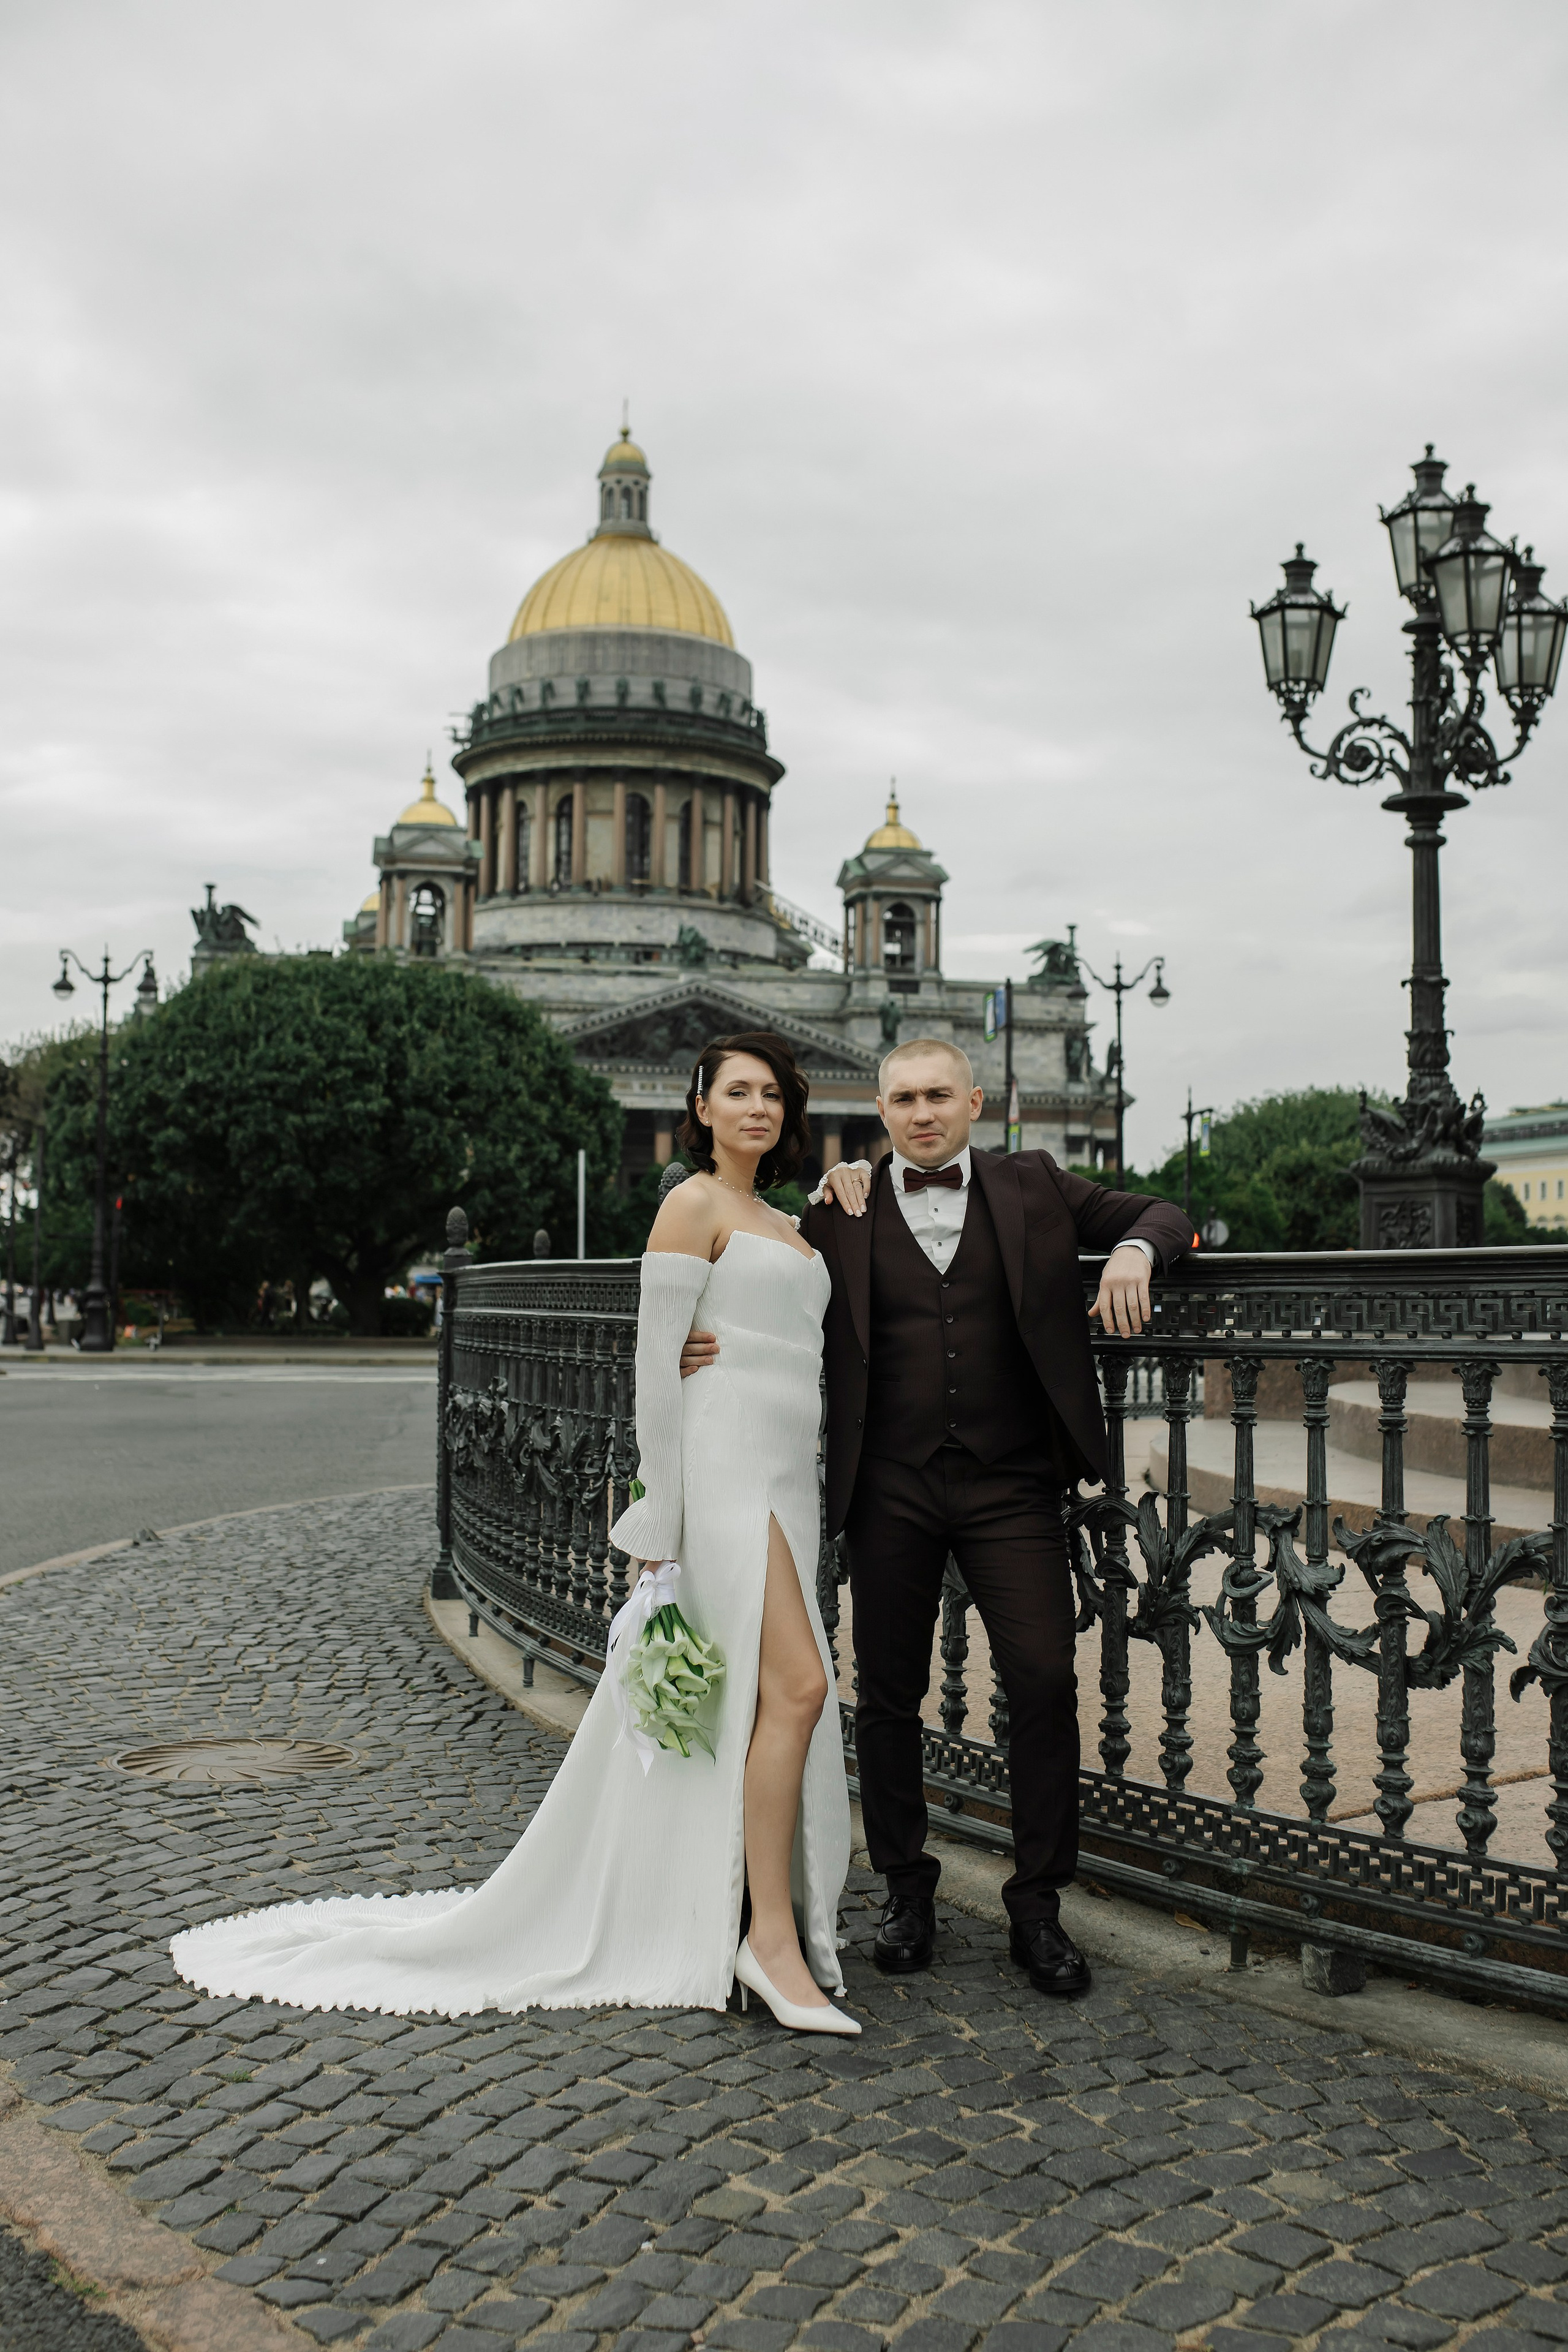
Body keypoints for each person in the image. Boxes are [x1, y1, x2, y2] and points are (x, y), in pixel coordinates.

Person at [169, 1030, 855, 2034]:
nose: (758, 1109)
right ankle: (769, 1942)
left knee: (761, 1700)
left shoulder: (789, 1220)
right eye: (736, 1093)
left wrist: (852, 1192)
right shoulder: (692, 1204)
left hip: (787, 1473)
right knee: (795, 1687)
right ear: (700, 1110)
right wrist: (654, 1523)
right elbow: (652, 1371)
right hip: (722, 1475)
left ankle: (748, 1914)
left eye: (772, 1096)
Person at [679, 1037, 1192, 1999]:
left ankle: (1038, 1907)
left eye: (939, 1096)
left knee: (1042, 1681)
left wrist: (1131, 1249)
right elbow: (745, 1267)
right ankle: (907, 1893)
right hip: (891, 1486)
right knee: (886, 1697)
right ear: (880, 1109)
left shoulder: (1035, 1183)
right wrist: (687, 1340)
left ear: (976, 1101)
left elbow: (1169, 1212)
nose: (922, 1113)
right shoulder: (840, 1207)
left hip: (1012, 1484)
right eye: (905, 1099)